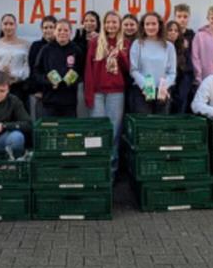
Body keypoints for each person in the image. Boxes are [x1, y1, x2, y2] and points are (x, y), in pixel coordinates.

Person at [85, 10, 130, 175]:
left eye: (114, 22)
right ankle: (96, 168)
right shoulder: (95, 42)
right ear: (103, 24)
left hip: (116, 93)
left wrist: (121, 55)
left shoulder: (125, 43)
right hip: (97, 93)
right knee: (97, 131)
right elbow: (89, 70)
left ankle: (111, 171)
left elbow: (128, 70)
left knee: (114, 132)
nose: (111, 25)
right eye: (108, 22)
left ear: (119, 24)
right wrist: (89, 94)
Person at [129, 12, 177, 114]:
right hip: (142, 92)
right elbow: (133, 70)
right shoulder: (137, 44)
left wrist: (164, 87)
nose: (150, 27)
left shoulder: (169, 46)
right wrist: (145, 86)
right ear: (143, 26)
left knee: (160, 123)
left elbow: (172, 72)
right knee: (144, 122)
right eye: (147, 24)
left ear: (159, 25)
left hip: (162, 93)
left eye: (154, 24)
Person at [33, 20, 83, 117]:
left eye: (66, 30)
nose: (62, 32)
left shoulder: (76, 50)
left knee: (68, 127)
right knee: (50, 127)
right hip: (49, 101)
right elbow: (37, 72)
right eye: (59, 30)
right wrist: (48, 81)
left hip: (69, 102)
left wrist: (72, 81)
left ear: (71, 32)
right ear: (54, 32)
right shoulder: (46, 49)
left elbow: (82, 72)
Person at [0, 13, 31, 103]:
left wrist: (15, 75)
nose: (8, 27)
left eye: (11, 24)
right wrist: (0, 70)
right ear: (1, 26)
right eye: (5, 24)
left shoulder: (25, 45)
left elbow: (27, 67)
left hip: (18, 87)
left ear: (15, 26)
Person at [28, 15, 57, 117]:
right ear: (41, 29)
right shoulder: (36, 46)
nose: (48, 30)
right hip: (42, 93)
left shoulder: (61, 45)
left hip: (59, 93)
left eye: (51, 27)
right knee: (44, 123)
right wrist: (37, 90)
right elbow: (32, 69)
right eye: (45, 27)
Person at [73, 10, 100, 118]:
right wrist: (82, 39)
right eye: (86, 21)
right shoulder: (78, 37)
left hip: (97, 80)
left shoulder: (103, 37)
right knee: (82, 110)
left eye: (92, 21)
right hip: (81, 80)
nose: (89, 23)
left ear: (97, 23)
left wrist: (98, 39)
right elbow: (75, 57)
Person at [173, 4, 197, 112]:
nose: (182, 19)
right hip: (173, 72)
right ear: (174, 17)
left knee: (182, 101)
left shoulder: (192, 35)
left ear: (189, 18)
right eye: (179, 16)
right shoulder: (170, 33)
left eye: (185, 16)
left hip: (187, 73)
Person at [165, 21, 192, 114]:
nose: (173, 32)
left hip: (180, 90)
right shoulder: (160, 48)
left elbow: (188, 72)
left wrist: (182, 92)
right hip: (164, 88)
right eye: (170, 30)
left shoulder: (183, 50)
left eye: (176, 30)